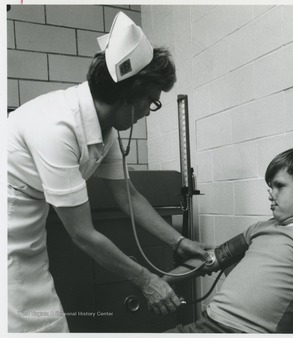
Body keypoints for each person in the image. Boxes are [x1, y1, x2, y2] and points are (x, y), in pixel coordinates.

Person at [7, 12, 209, 333]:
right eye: (151, 102)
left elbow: (128, 196)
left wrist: (179, 241)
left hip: (28, 244)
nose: (147, 112)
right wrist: (148, 281)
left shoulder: (105, 128)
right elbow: (82, 234)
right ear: (130, 94)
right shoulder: (56, 126)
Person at [164, 147, 293, 334]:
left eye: (279, 186)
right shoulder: (260, 227)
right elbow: (212, 258)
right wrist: (166, 278)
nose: (270, 194)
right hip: (205, 324)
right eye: (270, 187)